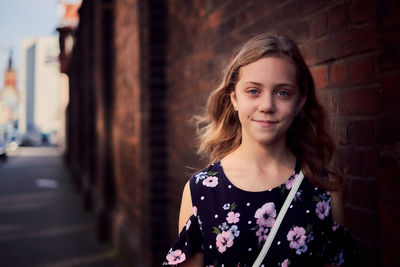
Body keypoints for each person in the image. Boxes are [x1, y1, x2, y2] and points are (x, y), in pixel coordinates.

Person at [163, 34, 358, 266]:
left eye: (282, 92)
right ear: (234, 97)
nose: (267, 106)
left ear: (300, 101)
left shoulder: (324, 187)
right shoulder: (201, 191)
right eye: (253, 91)